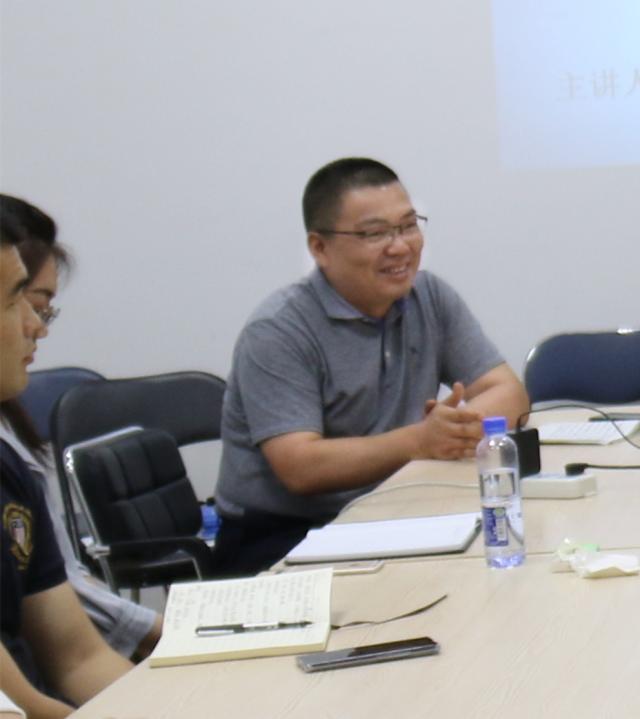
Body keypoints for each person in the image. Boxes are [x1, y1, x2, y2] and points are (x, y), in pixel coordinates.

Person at [213, 157, 530, 576]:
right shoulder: (279, 329)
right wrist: (420, 440)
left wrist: (454, 428)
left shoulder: (429, 297)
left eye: (408, 226)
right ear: (319, 248)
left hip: (394, 511)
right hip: (283, 538)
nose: (400, 247)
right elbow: (300, 466)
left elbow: (508, 391)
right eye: (375, 233)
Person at [0, 194, 162, 661]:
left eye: (41, 310)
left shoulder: (12, 458)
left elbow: (77, 655)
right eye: (23, 302)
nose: (37, 327)